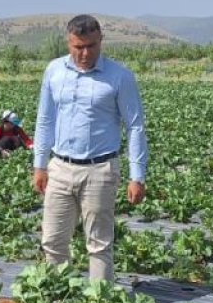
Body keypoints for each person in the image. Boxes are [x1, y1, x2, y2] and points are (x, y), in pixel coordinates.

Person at [33, 14, 147, 282]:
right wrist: (39, 164)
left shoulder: (120, 77)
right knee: (52, 241)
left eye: (91, 46)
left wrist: (137, 176)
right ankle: (60, 297)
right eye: (78, 47)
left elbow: (135, 126)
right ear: (68, 42)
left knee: (99, 244)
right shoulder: (54, 71)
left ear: (101, 41)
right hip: (60, 167)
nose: (85, 53)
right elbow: (45, 119)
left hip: (100, 169)